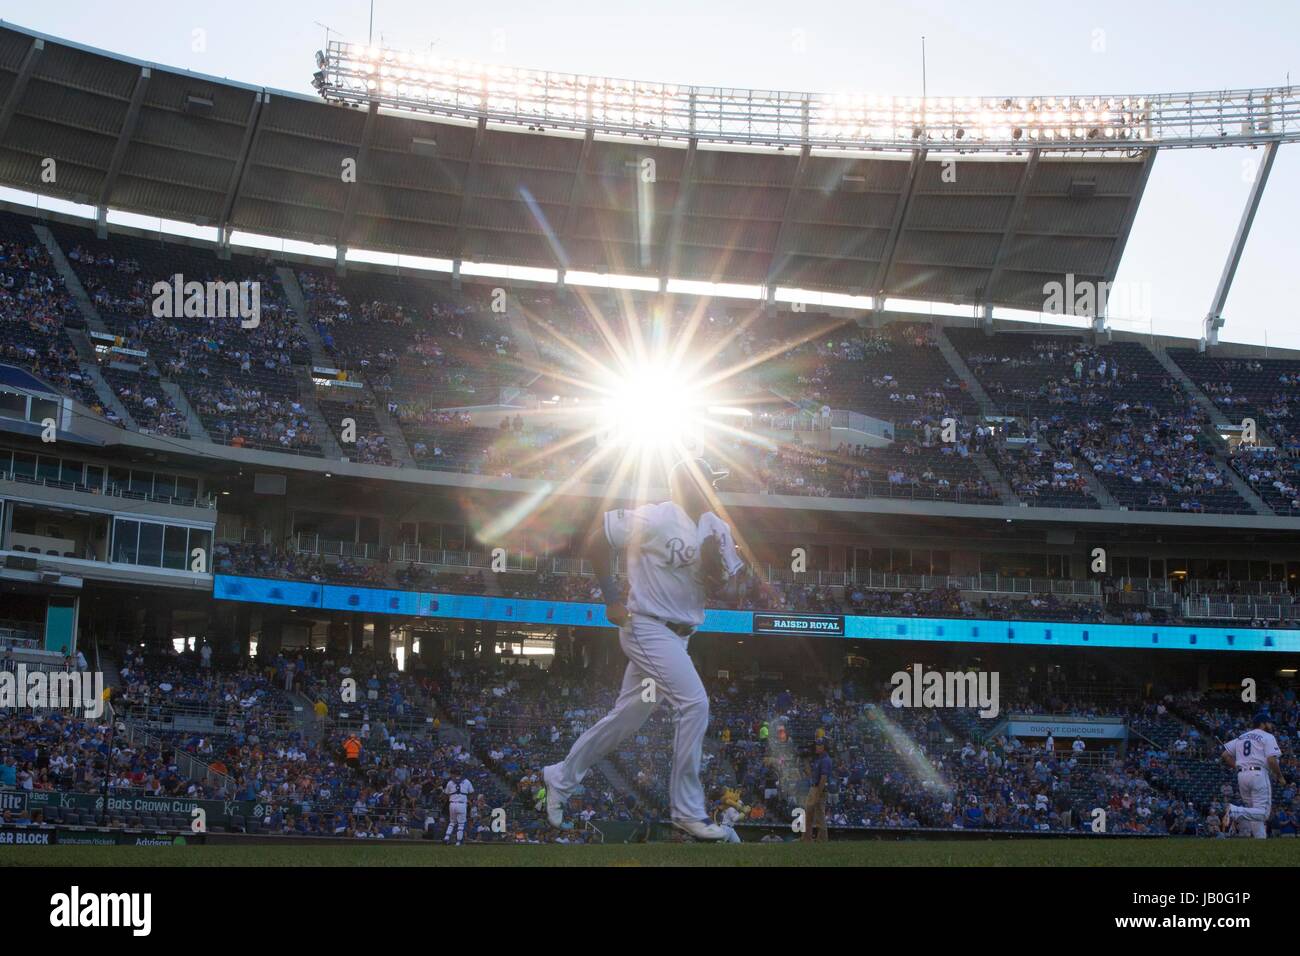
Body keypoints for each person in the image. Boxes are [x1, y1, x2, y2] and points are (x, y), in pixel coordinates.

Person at [541, 458, 746, 842]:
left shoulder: (717, 527)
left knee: (626, 719)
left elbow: (735, 586)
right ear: (685, 485)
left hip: (681, 635)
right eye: (706, 482)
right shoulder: (655, 518)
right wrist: (612, 597)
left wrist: (720, 579)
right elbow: (597, 540)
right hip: (646, 627)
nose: (712, 489)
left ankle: (561, 776)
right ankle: (688, 812)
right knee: (694, 704)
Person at [1220, 711, 1284, 838]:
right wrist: (1280, 776)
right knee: (1264, 813)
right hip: (1258, 774)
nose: (1271, 725)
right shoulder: (1267, 736)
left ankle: (1260, 841)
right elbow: (1271, 760)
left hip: (1242, 776)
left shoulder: (1242, 737)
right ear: (1262, 724)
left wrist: (1238, 766)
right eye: (1269, 723)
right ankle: (1234, 810)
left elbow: (1225, 755)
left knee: (1253, 812)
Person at [803, 739, 832, 843]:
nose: (816, 747)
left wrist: (818, 794)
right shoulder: (818, 759)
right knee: (808, 814)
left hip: (819, 789)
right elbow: (811, 775)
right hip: (813, 787)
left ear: (824, 747)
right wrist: (805, 762)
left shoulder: (825, 760)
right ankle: (807, 838)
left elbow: (823, 778)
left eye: (819, 745)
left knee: (820, 816)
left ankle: (822, 839)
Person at [444, 770, 474, 846]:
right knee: (461, 824)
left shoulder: (450, 782)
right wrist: (468, 800)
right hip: (462, 804)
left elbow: (446, 793)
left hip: (452, 804)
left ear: (454, 774)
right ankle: (458, 842)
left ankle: (447, 837)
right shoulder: (467, 781)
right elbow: (471, 792)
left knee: (452, 822)